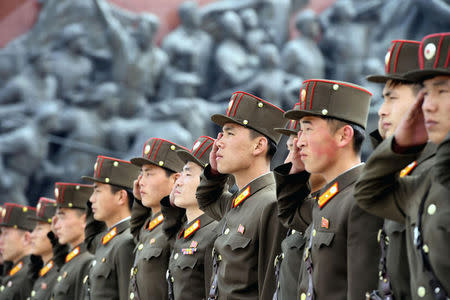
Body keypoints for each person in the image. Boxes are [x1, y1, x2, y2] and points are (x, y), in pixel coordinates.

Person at [355, 32, 450, 300]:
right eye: (426, 94)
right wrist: (399, 146)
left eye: (441, 91)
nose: (429, 106)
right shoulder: (426, 182)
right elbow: (367, 193)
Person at [275, 79, 384, 300]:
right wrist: (295, 171)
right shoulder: (328, 198)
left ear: (344, 135)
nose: (299, 142)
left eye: (307, 129)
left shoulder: (360, 200)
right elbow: (289, 214)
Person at [196, 91, 289, 299]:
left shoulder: (270, 203)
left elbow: (270, 286)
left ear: (258, 146)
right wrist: (213, 171)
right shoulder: (239, 201)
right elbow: (206, 199)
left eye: (230, 134)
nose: (218, 142)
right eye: (221, 134)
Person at [272, 103, 326, 300]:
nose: (290, 160)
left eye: (298, 148)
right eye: (290, 148)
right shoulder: (302, 206)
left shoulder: (340, 202)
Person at [129, 138, 187, 300]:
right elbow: (136, 231)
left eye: (149, 173)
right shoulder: (149, 227)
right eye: (140, 174)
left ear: (176, 180)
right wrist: (140, 202)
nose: (140, 182)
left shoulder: (178, 225)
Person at [164, 136, 218, 300]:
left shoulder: (214, 232)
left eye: (187, 174)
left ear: (208, 181)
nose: (178, 182)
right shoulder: (185, 230)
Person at [81, 155, 140, 300]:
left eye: (98, 191)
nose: (91, 199)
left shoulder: (126, 241)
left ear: (121, 196)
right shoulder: (107, 241)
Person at [51, 182, 93, 300]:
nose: (56, 226)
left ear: (85, 220)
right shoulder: (72, 260)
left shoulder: (87, 261)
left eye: (62, 217)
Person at [28, 197, 68, 300]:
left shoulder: (58, 273)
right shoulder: (42, 272)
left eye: (39, 229)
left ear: (55, 232)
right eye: (34, 229)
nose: (32, 235)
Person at [0, 203, 36, 300]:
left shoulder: (28, 274)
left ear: (26, 238)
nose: (1, 241)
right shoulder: (15, 270)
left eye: (6, 234)